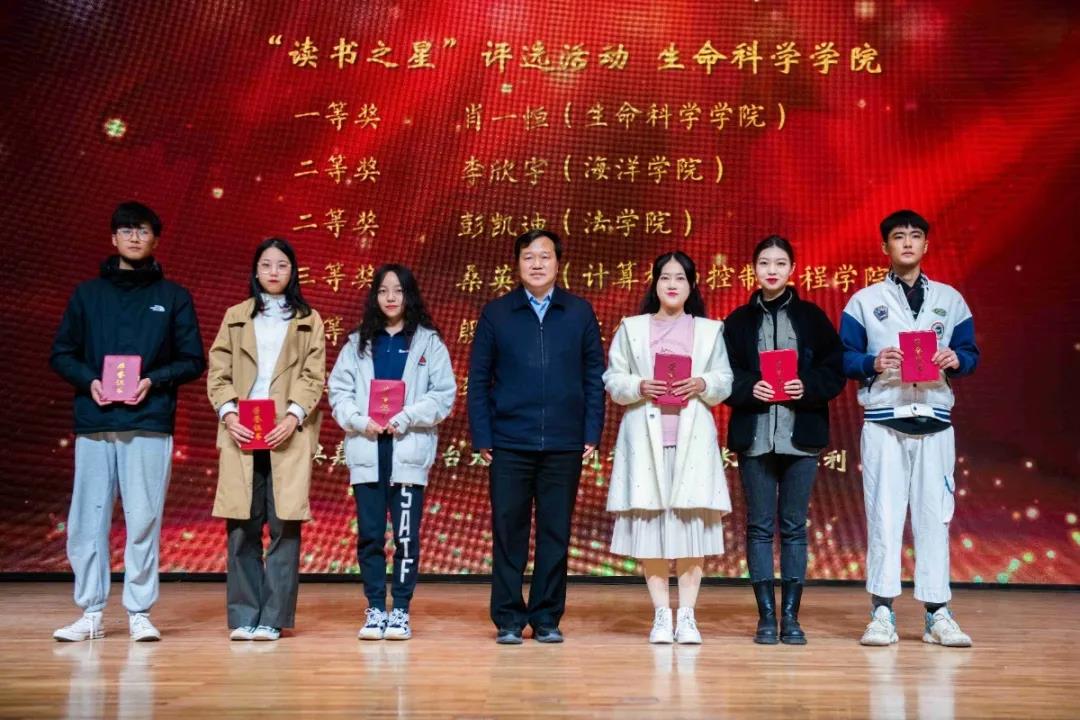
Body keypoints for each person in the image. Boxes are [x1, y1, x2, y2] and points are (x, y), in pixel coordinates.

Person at [50, 201, 205, 642]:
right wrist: (90, 381)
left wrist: (154, 380)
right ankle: (91, 612)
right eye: (126, 230)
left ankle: (139, 610)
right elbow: (62, 354)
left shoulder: (173, 297)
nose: (135, 237)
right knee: (87, 521)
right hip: (95, 420)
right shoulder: (87, 295)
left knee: (143, 519)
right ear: (113, 238)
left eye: (143, 230)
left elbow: (193, 360)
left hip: (148, 421)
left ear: (155, 239)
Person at [840, 210, 979, 647]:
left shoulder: (950, 300)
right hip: (885, 421)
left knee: (935, 517)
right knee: (883, 515)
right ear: (885, 246)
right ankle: (882, 611)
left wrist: (957, 359)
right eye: (898, 237)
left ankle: (937, 613)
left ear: (925, 245)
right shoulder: (864, 301)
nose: (906, 243)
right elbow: (843, 357)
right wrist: (872, 362)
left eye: (915, 236)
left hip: (935, 421)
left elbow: (970, 353)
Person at [467, 229, 605, 644]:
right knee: (508, 533)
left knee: (555, 534)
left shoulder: (579, 312)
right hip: (509, 441)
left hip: (564, 442)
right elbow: (478, 380)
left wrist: (591, 431)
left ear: (559, 263)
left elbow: (594, 377)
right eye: (529, 256)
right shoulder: (497, 313)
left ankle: (546, 617)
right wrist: (483, 435)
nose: (537, 264)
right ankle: (509, 618)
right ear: (517, 264)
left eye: (545, 256)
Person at [604, 251, 733, 644]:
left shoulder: (709, 330)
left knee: (691, 530)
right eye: (665, 277)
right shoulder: (632, 328)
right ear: (655, 283)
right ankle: (662, 615)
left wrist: (704, 383)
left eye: (680, 278)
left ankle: (687, 616)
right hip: (646, 441)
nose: (672, 284)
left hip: (692, 442)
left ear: (692, 285)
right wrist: (639, 385)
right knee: (652, 532)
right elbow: (613, 379)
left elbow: (725, 379)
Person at [722, 236, 845, 645]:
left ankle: (791, 617)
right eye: (764, 263)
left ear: (792, 269)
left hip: (800, 437)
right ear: (753, 269)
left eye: (779, 263)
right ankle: (765, 618)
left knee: (793, 527)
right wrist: (748, 387)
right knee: (758, 527)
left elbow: (834, 369)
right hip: (755, 438)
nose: (771, 270)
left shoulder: (812, 317)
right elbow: (724, 374)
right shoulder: (738, 321)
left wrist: (805, 385)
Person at [328, 264, 455, 641]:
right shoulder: (357, 343)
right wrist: (358, 419)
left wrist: (406, 416)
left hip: (408, 455)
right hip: (368, 452)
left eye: (398, 290)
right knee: (369, 536)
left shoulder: (428, 343)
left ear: (409, 295)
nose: (390, 298)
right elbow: (338, 392)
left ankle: (399, 609)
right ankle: (374, 608)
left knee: (405, 537)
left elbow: (443, 394)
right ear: (374, 296)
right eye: (383, 291)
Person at [207, 237, 325, 641]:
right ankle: (244, 615)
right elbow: (218, 372)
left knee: (284, 526)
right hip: (241, 430)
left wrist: (294, 416)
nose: (274, 272)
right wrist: (229, 414)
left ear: (293, 272)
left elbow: (313, 375)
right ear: (255, 271)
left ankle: (273, 618)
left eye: (282, 265)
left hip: (285, 432)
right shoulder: (236, 316)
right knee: (242, 524)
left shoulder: (309, 319)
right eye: (266, 265)